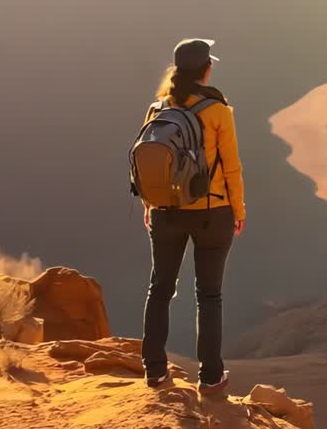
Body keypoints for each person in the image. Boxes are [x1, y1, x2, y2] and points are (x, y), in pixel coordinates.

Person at [140, 38, 245, 395]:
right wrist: (239, 211)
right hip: (211, 212)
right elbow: (231, 167)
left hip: (165, 212)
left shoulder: (158, 109)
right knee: (209, 296)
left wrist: (148, 207)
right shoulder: (218, 111)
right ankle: (211, 379)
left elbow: (151, 166)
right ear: (205, 70)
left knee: (160, 289)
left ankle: (154, 371)